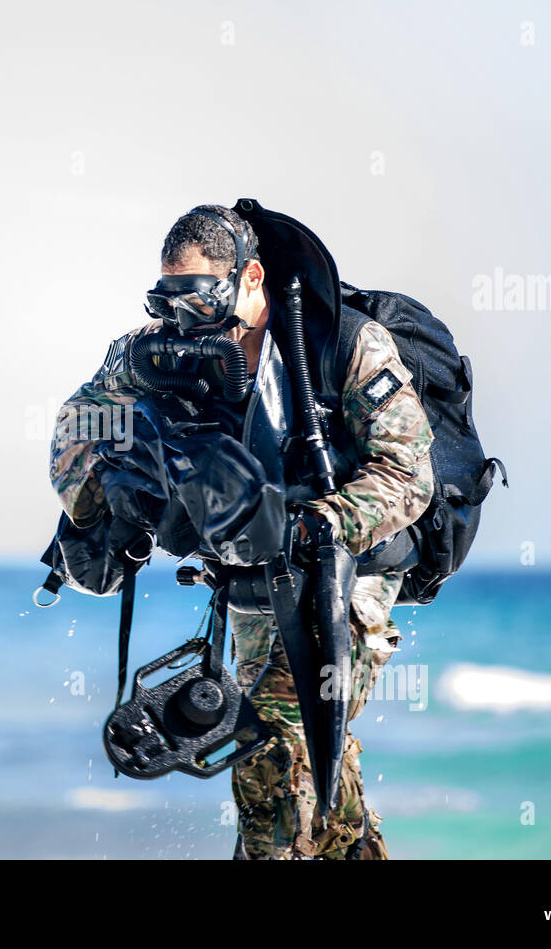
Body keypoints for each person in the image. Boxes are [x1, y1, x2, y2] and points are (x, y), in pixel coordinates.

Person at [47, 203, 435, 859]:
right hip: (251, 589)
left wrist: (318, 522)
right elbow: (73, 429)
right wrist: (111, 493)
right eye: (166, 301)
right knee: (315, 791)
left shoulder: (343, 344)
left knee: (273, 767)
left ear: (250, 278)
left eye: (200, 299)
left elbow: (409, 474)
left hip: (343, 578)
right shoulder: (154, 352)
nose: (183, 321)